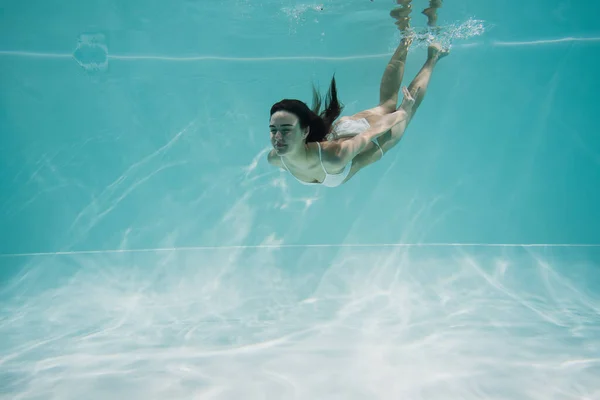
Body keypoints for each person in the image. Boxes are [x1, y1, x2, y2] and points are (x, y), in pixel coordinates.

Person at [267, 3, 448, 187]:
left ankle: (432, 56)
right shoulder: (275, 158)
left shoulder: (334, 158)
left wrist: (402, 113)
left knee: (404, 107)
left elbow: (369, 134)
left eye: (286, 130)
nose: (278, 138)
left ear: (305, 131)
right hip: (339, 132)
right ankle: (406, 38)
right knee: (386, 105)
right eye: (273, 130)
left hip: (367, 141)